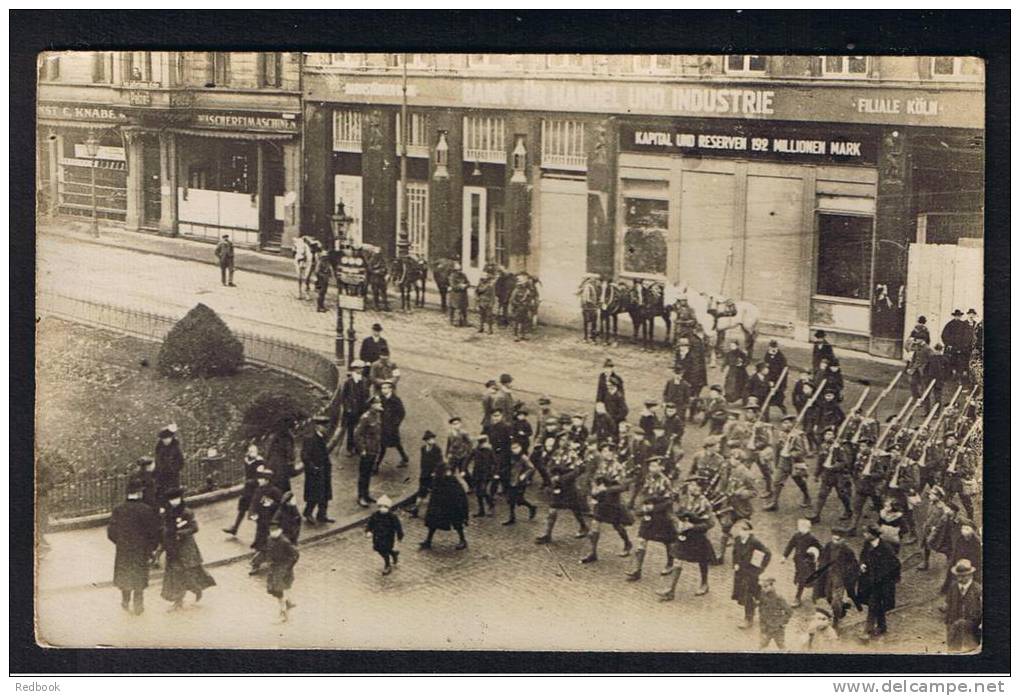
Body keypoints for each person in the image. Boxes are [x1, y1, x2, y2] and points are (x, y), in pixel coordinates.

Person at [108, 480, 161, 615]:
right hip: (141, 549)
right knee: (139, 576)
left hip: (124, 549)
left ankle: (125, 601)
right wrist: (151, 547)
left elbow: (111, 532)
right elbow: (153, 532)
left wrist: (120, 542)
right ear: (139, 493)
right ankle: (138, 605)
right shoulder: (146, 509)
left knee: (125, 575)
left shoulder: (118, 509)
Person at [160, 488, 216, 611]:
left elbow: (194, 528)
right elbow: (163, 528)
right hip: (172, 547)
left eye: (176, 499)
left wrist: (181, 533)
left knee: (189, 571)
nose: (174, 502)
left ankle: (197, 589)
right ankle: (178, 600)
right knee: (175, 574)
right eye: (171, 500)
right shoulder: (166, 513)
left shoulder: (186, 512)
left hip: (185, 547)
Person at [659, 477, 715, 600]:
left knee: (702, 561)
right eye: (691, 485)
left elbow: (710, 523)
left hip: (698, 537)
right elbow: (672, 513)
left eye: (697, 486)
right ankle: (670, 590)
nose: (693, 488)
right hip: (684, 536)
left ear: (701, 489)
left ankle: (704, 583)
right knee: (677, 560)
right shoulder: (684, 499)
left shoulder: (705, 503)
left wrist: (693, 526)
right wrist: (677, 522)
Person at [625, 457, 676, 582]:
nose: (652, 469)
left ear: (661, 467)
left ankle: (670, 563)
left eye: (655, 466)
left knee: (667, 541)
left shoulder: (665, 481)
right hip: (649, 516)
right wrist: (641, 505)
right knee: (642, 540)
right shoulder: (648, 478)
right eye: (651, 466)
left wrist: (653, 507)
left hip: (662, 516)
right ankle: (637, 570)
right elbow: (644, 493)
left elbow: (669, 501)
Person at [581, 443, 633, 563]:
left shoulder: (619, 467)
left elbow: (623, 486)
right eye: (604, 451)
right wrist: (594, 487)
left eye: (609, 451)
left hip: (614, 501)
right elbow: (595, 478)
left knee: (617, 525)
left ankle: (627, 543)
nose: (606, 454)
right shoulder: (601, 465)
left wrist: (607, 489)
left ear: (614, 453)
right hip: (601, 500)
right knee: (595, 525)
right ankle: (592, 553)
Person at [535, 442, 590, 544]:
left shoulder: (573, 455)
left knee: (575, 509)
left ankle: (583, 526)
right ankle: (547, 534)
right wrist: (552, 475)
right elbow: (549, 466)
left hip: (569, 487)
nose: (562, 442)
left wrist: (562, 478)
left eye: (565, 439)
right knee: (552, 509)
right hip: (558, 487)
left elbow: (579, 470)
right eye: (560, 439)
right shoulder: (556, 453)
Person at [857, 524, 902, 641]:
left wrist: (882, 576)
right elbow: (863, 556)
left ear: (873, 535)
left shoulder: (886, 548)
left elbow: (895, 565)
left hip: (882, 583)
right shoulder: (867, 544)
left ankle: (867, 631)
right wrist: (862, 564)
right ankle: (882, 626)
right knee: (877, 605)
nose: (864, 535)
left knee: (873, 605)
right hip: (869, 581)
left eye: (866, 533)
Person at [764, 415, 811, 512]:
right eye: (783, 423)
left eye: (787, 423)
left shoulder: (797, 436)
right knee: (777, 481)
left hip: (794, 462)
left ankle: (807, 496)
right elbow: (777, 449)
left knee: (799, 481)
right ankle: (774, 503)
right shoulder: (781, 435)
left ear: (792, 424)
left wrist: (791, 453)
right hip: (783, 461)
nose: (785, 425)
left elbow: (801, 452)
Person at [731, 520, 772, 629]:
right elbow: (734, 552)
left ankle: (748, 619)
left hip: (751, 573)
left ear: (749, 531)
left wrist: (760, 568)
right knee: (751, 594)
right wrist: (735, 564)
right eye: (740, 530)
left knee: (748, 595)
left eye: (744, 530)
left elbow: (767, 553)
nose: (742, 532)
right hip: (740, 573)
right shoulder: (737, 540)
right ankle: (765, 603)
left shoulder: (754, 542)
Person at [809, 428, 854, 523]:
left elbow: (844, 462)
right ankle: (816, 514)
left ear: (834, 436)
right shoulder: (823, 446)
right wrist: (816, 474)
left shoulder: (840, 447)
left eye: (830, 434)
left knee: (842, 495)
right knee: (822, 494)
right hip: (827, 475)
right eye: (826, 434)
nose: (828, 436)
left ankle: (848, 510)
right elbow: (820, 462)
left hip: (839, 475)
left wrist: (833, 466)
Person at [420, 464, 470, 550]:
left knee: (457, 523)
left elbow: (459, 494)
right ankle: (428, 540)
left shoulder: (452, 481)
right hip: (439, 505)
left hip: (452, 505)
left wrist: (460, 506)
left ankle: (463, 540)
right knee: (433, 523)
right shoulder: (437, 480)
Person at [301, 415, 334, 524]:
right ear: (317, 427)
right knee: (314, 494)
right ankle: (308, 512)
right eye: (323, 426)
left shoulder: (322, 438)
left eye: (326, 426)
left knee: (324, 494)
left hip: (324, 470)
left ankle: (322, 515)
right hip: (314, 472)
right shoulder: (310, 438)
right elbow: (304, 455)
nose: (326, 428)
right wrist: (313, 468)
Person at [782, 517, 822, 607]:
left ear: (808, 528)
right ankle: (813, 593)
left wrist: (819, 558)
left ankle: (798, 598)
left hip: (808, 563)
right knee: (804, 579)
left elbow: (819, 548)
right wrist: (784, 556)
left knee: (805, 579)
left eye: (804, 527)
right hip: (798, 561)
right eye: (800, 527)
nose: (801, 529)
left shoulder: (812, 538)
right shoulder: (796, 536)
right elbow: (790, 545)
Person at [265, 520, 299, 623]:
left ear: (280, 530)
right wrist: (269, 561)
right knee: (275, 590)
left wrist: (288, 567)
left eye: (275, 530)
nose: (273, 532)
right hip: (274, 567)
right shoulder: (269, 539)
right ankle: (288, 602)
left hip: (283, 568)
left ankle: (283, 615)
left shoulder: (285, 542)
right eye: (271, 530)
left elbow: (295, 555)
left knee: (279, 591)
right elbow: (268, 551)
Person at [945, 559, 982, 652]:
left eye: (963, 576)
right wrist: (949, 624)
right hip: (954, 628)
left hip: (972, 630)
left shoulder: (978, 590)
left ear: (970, 575)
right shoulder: (953, 587)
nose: (960, 579)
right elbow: (948, 605)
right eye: (958, 576)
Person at [354, 399, 383, 508]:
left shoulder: (377, 415)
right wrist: (362, 449)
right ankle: (361, 496)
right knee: (363, 474)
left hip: (374, 449)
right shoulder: (365, 418)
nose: (380, 405)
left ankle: (366, 495)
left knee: (368, 473)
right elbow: (357, 434)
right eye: (378, 403)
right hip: (367, 450)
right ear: (372, 405)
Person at [366, 495, 403, 575]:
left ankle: (387, 565)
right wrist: (368, 531)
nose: (382, 508)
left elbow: (398, 527)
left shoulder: (392, 517)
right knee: (379, 549)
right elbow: (370, 524)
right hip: (377, 537)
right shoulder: (375, 515)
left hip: (388, 537)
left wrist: (400, 536)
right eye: (380, 506)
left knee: (384, 550)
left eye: (385, 506)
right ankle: (393, 553)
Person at [340, 360, 371, 456]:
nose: (361, 370)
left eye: (362, 368)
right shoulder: (348, 382)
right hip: (352, 410)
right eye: (359, 368)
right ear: (355, 369)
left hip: (362, 408)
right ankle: (350, 448)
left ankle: (358, 447)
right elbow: (343, 396)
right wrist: (347, 408)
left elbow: (367, 394)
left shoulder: (365, 380)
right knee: (350, 429)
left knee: (360, 429)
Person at [376, 380, 409, 471]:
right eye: (383, 388)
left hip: (392, 427)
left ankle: (376, 466)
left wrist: (395, 424)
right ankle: (405, 458)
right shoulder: (381, 398)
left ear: (391, 389)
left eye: (386, 388)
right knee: (384, 445)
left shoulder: (396, 400)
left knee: (395, 444)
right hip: (383, 426)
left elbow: (401, 413)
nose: (384, 390)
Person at [504, 439, 538, 525]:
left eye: (516, 448)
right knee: (511, 500)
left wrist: (524, 475)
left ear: (520, 448)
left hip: (520, 482)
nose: (514, 450)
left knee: (519, 500)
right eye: (513, 448)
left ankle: (531, 507)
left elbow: (531, 468)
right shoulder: (511, 456)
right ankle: (512, 518)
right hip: (512, 480)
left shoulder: (523, 458)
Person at [409, 430, 442, 518]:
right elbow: (422, 461)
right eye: (430, 439)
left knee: (435, 493)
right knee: (421, 492)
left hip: (433, 476)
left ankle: (435, 512)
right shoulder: (423, 448)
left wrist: (435, 472)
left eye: (433, 439)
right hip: (424, 475)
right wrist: (422, 472)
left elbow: (440, 462)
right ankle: (415, 510)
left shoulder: (437, 449)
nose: (432, 441)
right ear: (426, 440)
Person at [757, 577, 793, 649]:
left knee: (781, 645)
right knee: (762, 645)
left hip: (777, 628)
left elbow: (789, 611)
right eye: (762, 587)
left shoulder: (778, 598)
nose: (763, 589)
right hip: (765, 627)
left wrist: (782, 622)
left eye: (766, 587)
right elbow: (760, 610)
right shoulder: (762, 596)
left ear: (772, 586)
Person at [154, 425, 184, 504]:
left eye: (168, 438)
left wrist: (173, 469)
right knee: (162, 495)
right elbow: (157, 461)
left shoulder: (176, 448)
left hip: (172, 477)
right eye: (164, 439)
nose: (166, 441)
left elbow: (181, 462)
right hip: (161, 476)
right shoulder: (159, 448)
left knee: (174, 496)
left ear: (171, 438)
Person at [941, 309, 974, 379]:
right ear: (954, 316)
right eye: (956, 316)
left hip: (960, 347)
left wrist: (964, 345)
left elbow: (967, 335)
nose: (957, 317)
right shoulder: (949, 324)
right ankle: (949, 376)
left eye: (959, 316)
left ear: (961, 316)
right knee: (950, 361)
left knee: (960, 362)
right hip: (951, 347)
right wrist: (948, 344)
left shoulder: (964, 324)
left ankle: (960, 377)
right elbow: (944, 335)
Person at [469, 435, 496, 517]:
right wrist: (463, 469)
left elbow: (495, 463)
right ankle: (481, 511)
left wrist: (495, 473)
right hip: (477, 474)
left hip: (486, 474)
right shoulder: (475, 450)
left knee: (483, 491)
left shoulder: (490, 451)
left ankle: (491, 505)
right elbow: (468, 459)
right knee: (478, 493)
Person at [763, 340, 789, 417]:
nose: (772, 349)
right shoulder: (767, 354)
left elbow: (784, 372)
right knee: (766, 397)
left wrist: (780, 383)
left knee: (778, 399)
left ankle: (784, 411)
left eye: (774, 348)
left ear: (777, 348)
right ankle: (765, 415)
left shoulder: (781, 357)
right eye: (771, 347)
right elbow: (765, 366)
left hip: (778, 381)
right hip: (769, 379)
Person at [722, 339, 749, 404]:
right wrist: (723, 367)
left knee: (738, 385)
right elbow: (726, 361)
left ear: (737, 346)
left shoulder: (741, 353)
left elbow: (747, 361)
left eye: (733, 345)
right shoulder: (728, 353)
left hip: (740, 372)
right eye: (731, 345)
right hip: (731, 371)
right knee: (729, 384)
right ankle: (729, 398)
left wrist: (742, 364)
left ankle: (738, 398)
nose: (732, 347)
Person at [476, 268, 497, 334]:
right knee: (481, 315)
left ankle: (490, 329)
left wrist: (491, 303)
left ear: (487, 276)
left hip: (488, 302)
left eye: (485, 275)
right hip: (481, 301)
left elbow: (493, 295)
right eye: (482, 275)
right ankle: (481, 327)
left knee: (489, 316)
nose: (483, 276)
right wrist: (477, 300)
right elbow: (477, 291)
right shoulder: (480, 282)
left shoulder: (490, 284)